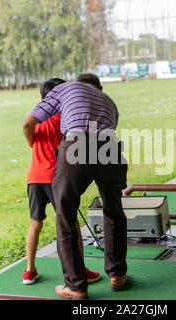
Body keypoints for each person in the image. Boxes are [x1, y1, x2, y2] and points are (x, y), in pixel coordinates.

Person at [23, 73, 129, 300]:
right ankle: (117, 275)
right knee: (114, 211)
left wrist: (31, 143)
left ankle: (76, 286)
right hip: (110, 145)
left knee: (65, 214)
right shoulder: (109, 100)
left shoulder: (61, 90)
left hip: (77, 144)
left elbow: (28, 123)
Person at [23, 78, 101, 286]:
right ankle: (80, 269)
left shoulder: (36, 124)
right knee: (71, 223)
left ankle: (29, 270)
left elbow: (29, 132)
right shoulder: (62, 119)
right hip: (55, 178)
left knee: (35, 224)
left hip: (34, 179)